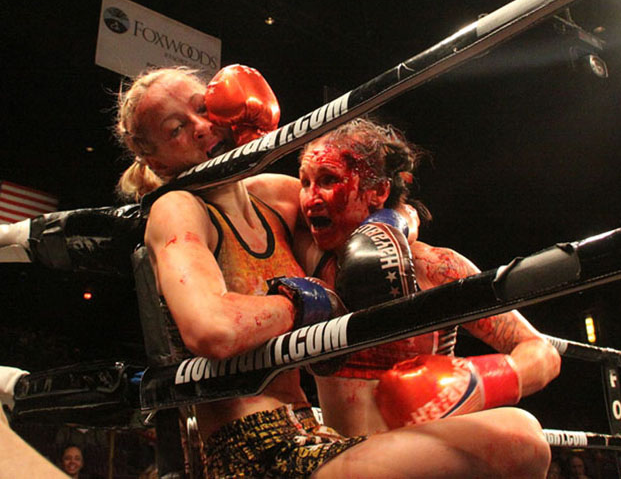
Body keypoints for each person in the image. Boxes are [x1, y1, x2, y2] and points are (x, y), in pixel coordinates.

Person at [114, 64, 551, 477]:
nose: (203, 126)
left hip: (311, 435)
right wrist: (307, 304)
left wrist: (394, 226)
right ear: (156, 163)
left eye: (202, 106)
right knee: (519, 438)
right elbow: (212, 329)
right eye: (176, 129)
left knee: (520, 434)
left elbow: (376, 210)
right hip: (254, 451)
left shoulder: (277, 201)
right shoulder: (177, 208)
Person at [295, 118, 561, 437]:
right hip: (345, 459)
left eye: (327, 180)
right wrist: (401, 218)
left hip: (423, 456)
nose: (310, 198)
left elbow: (541, 352)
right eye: (304, 182)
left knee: (524, 435)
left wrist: (472, 384)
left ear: (378, 190)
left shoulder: (435, 267)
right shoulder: (309, 254)